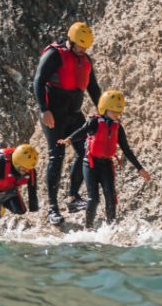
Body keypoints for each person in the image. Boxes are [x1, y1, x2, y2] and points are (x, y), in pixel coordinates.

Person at [34, 22, 97, 224]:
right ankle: (52, 207)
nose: (82, 50)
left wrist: (104, 111)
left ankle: (72, 197)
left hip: (74, 114)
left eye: (85, 47)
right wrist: (44, 110)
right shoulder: (54, 54)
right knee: (57, 156)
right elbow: (38, 81)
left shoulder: (86, 59)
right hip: (54, 114)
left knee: (86, 150)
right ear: (71, 40)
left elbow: (94, 88)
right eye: (80, 46)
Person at [63, 91, 150, 227]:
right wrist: (70, 139)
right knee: (94, 199)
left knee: (110, 196)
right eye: (113, 111)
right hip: (90, 164)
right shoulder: (94, 122)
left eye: (119, 111)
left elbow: (126, 149)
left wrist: (140, 168)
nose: (117, 114)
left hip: (106, 165)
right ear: (104, 108)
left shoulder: (118, 127)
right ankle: (88, 228)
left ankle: (111, 226)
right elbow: (82, 131)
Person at [0, 142, 39, 218]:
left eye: (28, 169)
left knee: (21, 215)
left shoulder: (30, 170)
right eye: (23, 169)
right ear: (16, 163)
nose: (26, 172)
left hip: (10, 190)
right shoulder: (0, 162)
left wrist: (34, 215)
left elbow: (32, 195)